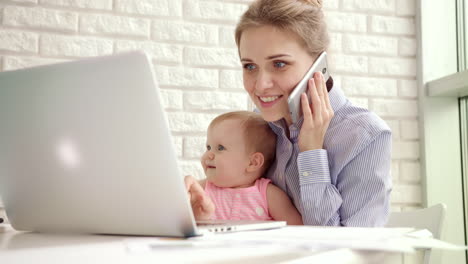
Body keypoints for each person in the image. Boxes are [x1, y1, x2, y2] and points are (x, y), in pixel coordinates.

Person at [224, 0, 392, 227]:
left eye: (280, 64)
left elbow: (352, 252)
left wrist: (312, 153)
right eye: (250, 67)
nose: (261, 85)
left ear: (318, 64)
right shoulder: (261, 125)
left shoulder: (365, 136)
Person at [185, 111, 303, 225]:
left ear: (253, 162)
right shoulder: (200, 191)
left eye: (220, 148)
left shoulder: (269, 195)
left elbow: (299, 231)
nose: (209, 155)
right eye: (208, 147)